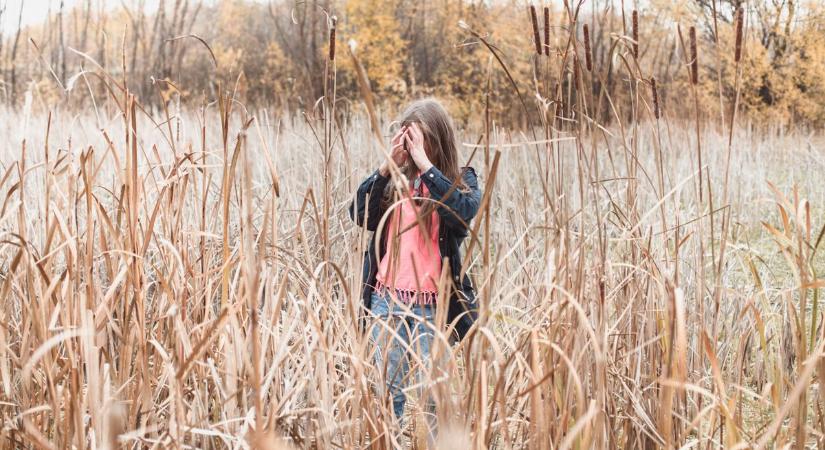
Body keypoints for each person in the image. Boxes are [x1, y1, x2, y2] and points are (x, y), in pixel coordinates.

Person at [348, 98, 483, 434]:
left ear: (437, 140)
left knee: (433, 398)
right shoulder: (393, 182)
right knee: (386, 394)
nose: (413, 148)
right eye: (409, 139)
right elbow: (359, 213)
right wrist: (385, 168)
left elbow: (462, 211)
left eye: (421, 140)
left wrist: (426, 167)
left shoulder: (461, 179)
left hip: (433, 308)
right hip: (386, 302)